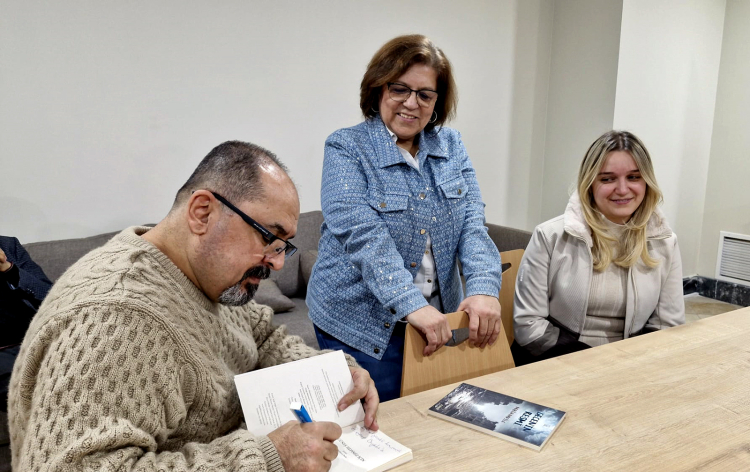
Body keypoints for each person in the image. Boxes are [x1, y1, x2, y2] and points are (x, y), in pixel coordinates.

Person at [8, 141, 379, 472]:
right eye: (269, 237)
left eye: (284, 245)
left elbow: (263, 337)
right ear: (203, 213)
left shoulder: (211, 277)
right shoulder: (117, 318)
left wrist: (335, 373)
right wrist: (269, 458)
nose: (279, 262)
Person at [306, 35, 503, 402]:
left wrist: (483, 288)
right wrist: (411, 303)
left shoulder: (452, 146)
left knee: (438, 414)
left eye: (425, 95)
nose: (412, 103)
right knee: (381, 421)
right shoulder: (346, 147)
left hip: (437, 319)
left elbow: (472, 225)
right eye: (399, 89)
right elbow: (364, 237)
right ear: (378, 87)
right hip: (360, 323)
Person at [512, 130, 685, 364]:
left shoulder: (665, 242)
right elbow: (528, 325)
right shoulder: (549, 236)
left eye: (634, 177)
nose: (622, 189)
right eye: (607, 179)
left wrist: (626, 365)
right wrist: (596, 365)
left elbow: (667, 326)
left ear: (647, 182)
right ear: (590, 184)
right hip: (555, 361)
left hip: (630, 364)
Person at [0, 237, 53, 412]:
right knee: (28, 395)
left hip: (35, 340)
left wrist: (9, 269)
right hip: (3, 356)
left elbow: (50, 296)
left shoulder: (8, 246)